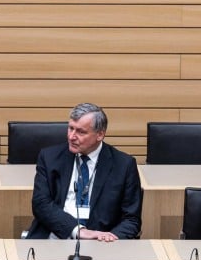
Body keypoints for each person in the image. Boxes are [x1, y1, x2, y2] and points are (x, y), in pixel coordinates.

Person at [27, 103, 142, 241]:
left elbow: (131, 219)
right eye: (70, 128)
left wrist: (109, 239)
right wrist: (77, 230)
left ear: (100, 134)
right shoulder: (49, 157)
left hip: (101, 243)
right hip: (56, 234)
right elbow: (41, 204)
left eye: (81, 132)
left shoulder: (124, 165)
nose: (71, 137)